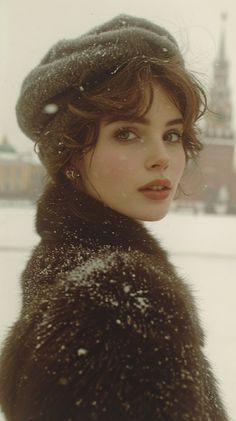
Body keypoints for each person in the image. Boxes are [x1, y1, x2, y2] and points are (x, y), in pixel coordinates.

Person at [0, 14, 228, 421]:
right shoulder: (118, 302)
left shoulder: (63, 266)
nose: (162, 157)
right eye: (127, 133)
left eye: (172, 134)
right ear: (70, 154)